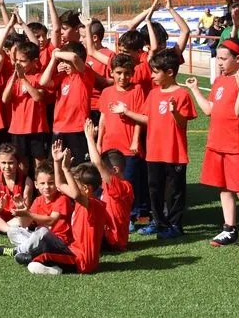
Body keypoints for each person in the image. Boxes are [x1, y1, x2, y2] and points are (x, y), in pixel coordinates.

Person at [186, 39, 239, 252]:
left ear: (238, 59)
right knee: (224, 188)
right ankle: (229, 229)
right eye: (219, 58)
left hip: (236, 144)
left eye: (224, 58)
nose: (220, 63)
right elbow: (209, 110)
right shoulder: (221, 81)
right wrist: (195, 90)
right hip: (217, 142)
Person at [113, 49, 196, 238]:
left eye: (155, 72)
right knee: (155, 190)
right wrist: (125, 111)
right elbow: (145, 118)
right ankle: (159, 223)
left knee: (175, 191)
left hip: (174, 153)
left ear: (169, 73)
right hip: (154, 152)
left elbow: (182, 123)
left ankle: (175, 226)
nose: (152, 76)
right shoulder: (153, 94)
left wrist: (174, 111)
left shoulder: (182, 94)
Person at [10, 140, 108, 275]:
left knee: (36, 262)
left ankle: (46, 265)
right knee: (35, 251)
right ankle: (45, 262)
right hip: (73, 251)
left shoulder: (94, 205)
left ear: (86, 189)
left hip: (83, 261)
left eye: (75, 183)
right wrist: (56, 162)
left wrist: (66, 169)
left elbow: (74, 193)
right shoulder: (83, 202)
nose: (70, 185)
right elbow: (60, 184)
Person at [97, 54, 147, 227]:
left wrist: (135, 141)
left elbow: (140, 118)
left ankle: (130, 216)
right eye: (118, 72)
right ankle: (110, 214)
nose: (122, 77)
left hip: (128, 147)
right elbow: (103, 118)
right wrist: (98, 142)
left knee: (128, 183)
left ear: (132, 73)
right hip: (109, 146)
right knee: (108, 182)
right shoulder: (106, 92)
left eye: (127, 73)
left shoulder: (137, 90)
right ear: (111, 72)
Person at [82, 120, 134, 251]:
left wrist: (89, 138)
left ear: (115, 170)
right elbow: (98, 163)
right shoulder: (111, 183)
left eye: (106, 169)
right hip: (106, 236)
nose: (102, 173)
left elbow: (97, 164)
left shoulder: (122, 186)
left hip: (113, 240)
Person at [39, 42, 93, 165]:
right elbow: (43, 82)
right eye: (62, 62)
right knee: (56, 166)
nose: (64, 65)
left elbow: (74, 57)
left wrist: (56, 53)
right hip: (59, 128)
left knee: (79, 168)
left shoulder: (85, 74)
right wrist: (53, 59)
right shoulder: (62, 77)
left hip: (78, 129)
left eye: (66, 62)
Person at [2, 42, 48, 166]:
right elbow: (5, 99)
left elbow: (37, 96)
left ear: (34, 61)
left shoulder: (39, 77)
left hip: (36, 128)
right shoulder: (14, 79)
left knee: (39, 163)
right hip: (18, 128)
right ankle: (25, 185)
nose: (18, 64)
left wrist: (23, 78)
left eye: (22, 61)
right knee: (22, 164)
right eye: (16, 60)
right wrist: (14, 78)